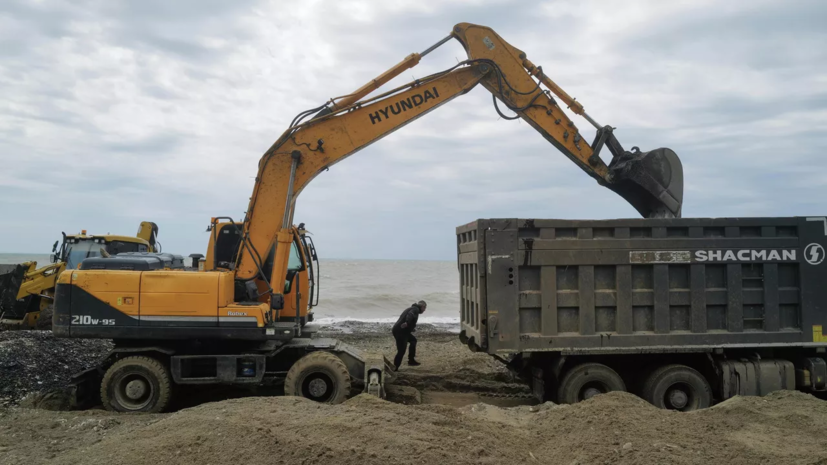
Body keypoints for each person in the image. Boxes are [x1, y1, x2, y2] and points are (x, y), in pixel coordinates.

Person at [392, 300, 426, 370]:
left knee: (413, 341)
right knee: (401, 350)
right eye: (424, 308)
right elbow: (410, 315)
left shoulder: (411, 308)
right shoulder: (415, 309)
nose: (424, 310)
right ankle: (395, 367)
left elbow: (407, 317)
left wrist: (410, 328)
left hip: (400, 330)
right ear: (422, 306)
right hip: (401, 331)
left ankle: (411, 360)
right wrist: (407, 323)